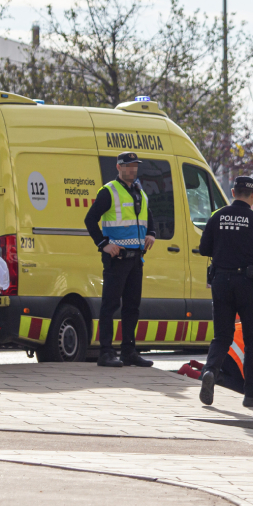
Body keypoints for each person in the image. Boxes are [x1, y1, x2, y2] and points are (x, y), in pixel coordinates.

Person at [197, 176, 253, 408]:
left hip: (221, 281)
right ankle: (252, 395)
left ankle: (209, 371)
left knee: (222, 336)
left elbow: (204, 249)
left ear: (233, 192)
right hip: (248, 285)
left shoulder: (216, 216)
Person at [84, 152, 156, 368]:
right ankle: (105, 352)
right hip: (117, 259)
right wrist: (103, 244)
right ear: (118, 167)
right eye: (128, 166)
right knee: (110, 305)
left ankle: (128, 351)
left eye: (135, 166)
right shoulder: (109, 191)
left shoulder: (139, 191)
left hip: (136, 260)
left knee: (132, 307)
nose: (132, 170)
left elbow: (147, 214)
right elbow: (90, 219)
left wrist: (151, 232)